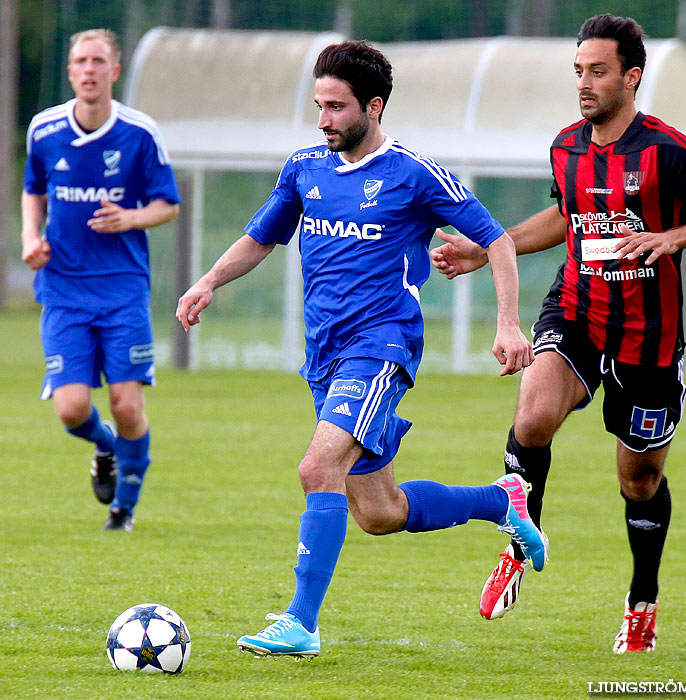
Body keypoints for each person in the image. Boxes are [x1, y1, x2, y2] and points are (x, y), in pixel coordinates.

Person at [175, 40, 546, 660]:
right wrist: (209, 280)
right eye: (318, 106)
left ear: (373, 107)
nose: (323, 120)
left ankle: (300, 622)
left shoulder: (412, 172)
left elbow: (499, 241)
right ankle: (500, 500)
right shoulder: (303, 169)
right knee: (378, 510)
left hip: (381, 347)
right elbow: (259, 237)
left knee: (317, 468)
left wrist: (509, 323)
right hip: (324, 353)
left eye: (336, 108)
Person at [431, 14, 686, 653]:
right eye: (578, 70)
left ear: (631, 77)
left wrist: (671, 237)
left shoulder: (665, 148)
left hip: (648, 336)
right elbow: (566, 215)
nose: (584, 83)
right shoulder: (566, 146)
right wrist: (485, 249)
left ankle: (642, 600)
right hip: (577, 311)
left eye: (598, 71)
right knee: (532, 418)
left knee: (638, 480)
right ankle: (521, 544)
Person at [21, 29, 180, 532]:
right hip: (64, 287)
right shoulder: (44, 130)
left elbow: (167, 204)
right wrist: (31, 238)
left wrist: (130, 218)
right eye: (79, 61)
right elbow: (33, 191)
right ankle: (106, 445)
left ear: (113, 72)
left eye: (98, 61)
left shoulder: (140, 133)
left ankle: (123, 510)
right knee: (71, 409)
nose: (88, 69)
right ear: (71, 72)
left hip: (122, 288)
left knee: (128, 404)